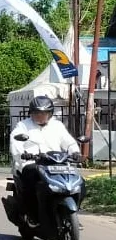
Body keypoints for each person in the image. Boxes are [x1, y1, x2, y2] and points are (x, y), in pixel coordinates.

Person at [10, 96, 82, 227]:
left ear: (50, 113)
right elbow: (15, 142)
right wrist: (23, 155)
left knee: (79, 181)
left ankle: (73, 212)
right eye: (37, 113)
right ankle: (31, 215)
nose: (40, 116)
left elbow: (68, 141)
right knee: (30, 181)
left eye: (44, 113)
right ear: (31, 113)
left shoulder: (57, 125)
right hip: (32, 163)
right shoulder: (23, 126)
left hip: (56, 162)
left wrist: (75, 152)